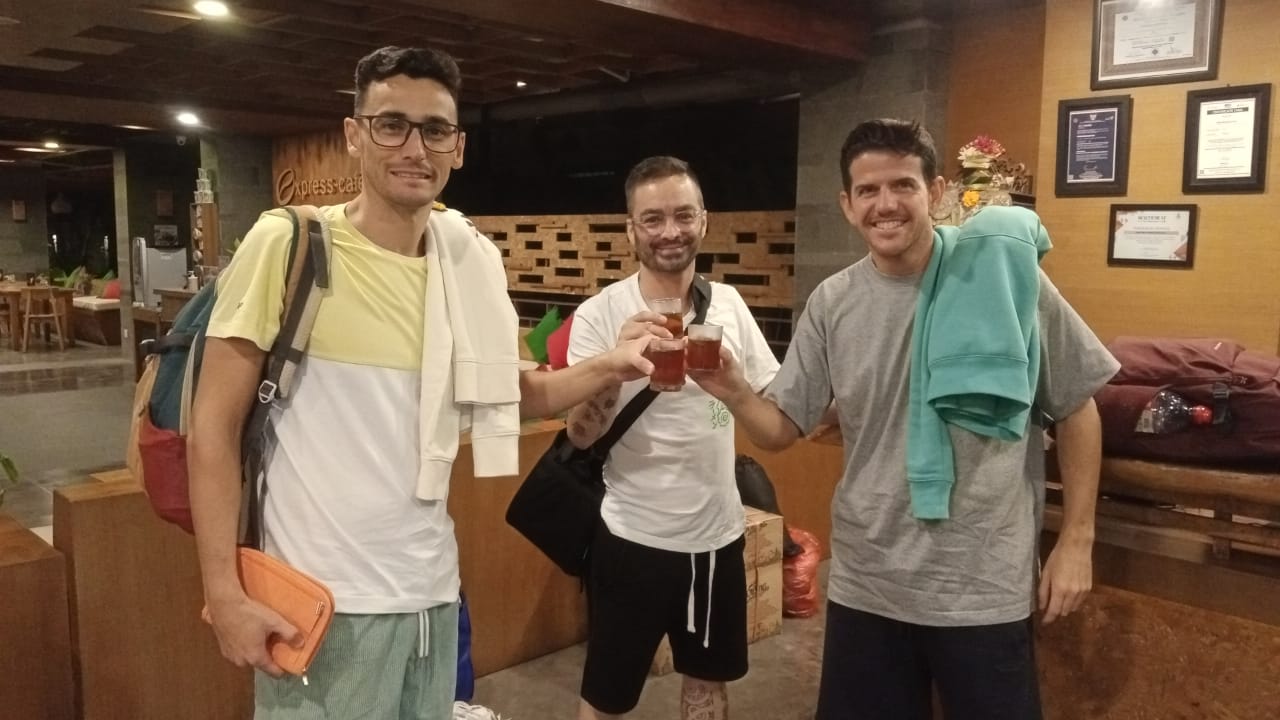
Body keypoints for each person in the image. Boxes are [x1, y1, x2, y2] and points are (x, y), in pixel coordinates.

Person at [187, 45, 655, 720]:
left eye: (434, 129)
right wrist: (224, 595)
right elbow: (212, 428)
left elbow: (513, 394)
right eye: (391, 125)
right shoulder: (289, 245)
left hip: (431, 596)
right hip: (321, 605)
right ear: (354, 136)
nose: (414, 147)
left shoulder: (465, 263)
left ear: (457, 147)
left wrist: (611, 363)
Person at [690, 119, 1119, 720]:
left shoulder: (1002, 279)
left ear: (936, 192)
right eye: (868, 190)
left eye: (903, 185)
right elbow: (782, 428)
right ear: (847, 204)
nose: (885, 204)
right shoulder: (833, 302)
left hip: (981, 585)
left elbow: (1077, 404)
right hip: (869, 581)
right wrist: (733, 389)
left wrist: (1076, 539)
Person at [565, 156, 780, 720]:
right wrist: (614, 367)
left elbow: (771, 402)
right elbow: (580, 436)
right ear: (631, 228)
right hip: (630, 537)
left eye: (683, 215)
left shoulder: (729, 306)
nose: (670, 231)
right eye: (653, 219)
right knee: (606, 698)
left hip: (716, 540)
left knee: (706, 687)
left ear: (704, 221)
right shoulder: (600, 313)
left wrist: (741, 391)